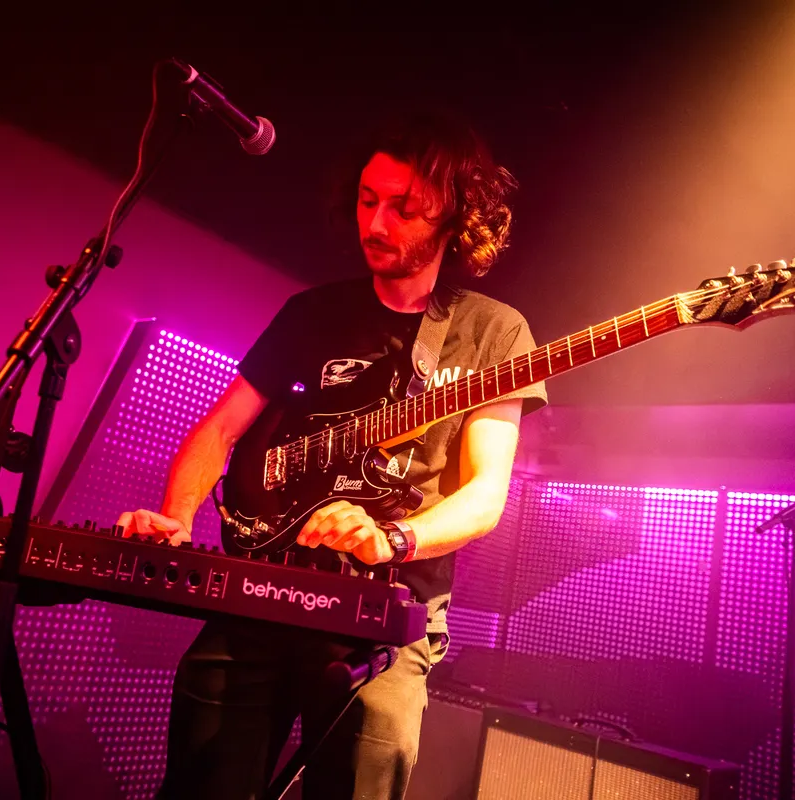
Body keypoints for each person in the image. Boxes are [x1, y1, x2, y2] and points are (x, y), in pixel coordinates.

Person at [117, 111, 547, 800]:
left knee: (365, 766)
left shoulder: (493, 332)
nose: (375, 223)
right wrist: (178, 516)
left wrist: (392, 539)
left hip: (385, 615)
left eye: (404, 208)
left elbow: (485, 494)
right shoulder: (310, 314)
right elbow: (220, 430)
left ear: (453, 215)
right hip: (261, 590)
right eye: (368, 200)